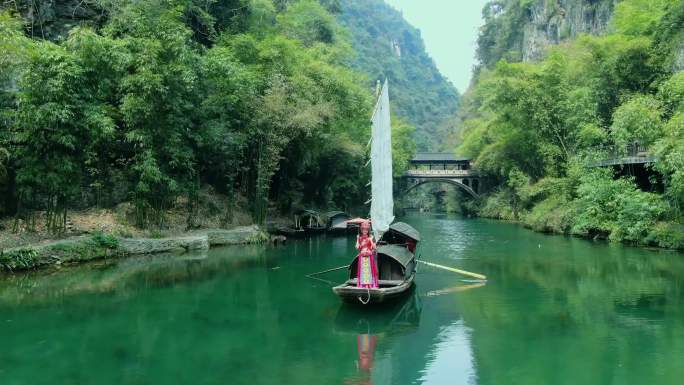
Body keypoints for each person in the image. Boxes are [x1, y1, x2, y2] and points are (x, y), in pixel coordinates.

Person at [356, 221, 378, 288]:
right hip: (362, 257)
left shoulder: (371, 237)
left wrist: (371, 240)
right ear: (361, 230)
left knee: (369, 270)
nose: (365, 231)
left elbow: (374, 247)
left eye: (366, 229)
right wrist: (357, 239)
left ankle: (370, 285)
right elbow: (357, 247)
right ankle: (363, 285)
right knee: (363, 271)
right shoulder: (359, 238)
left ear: (368, 230)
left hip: (369, 257)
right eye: (363, 229)